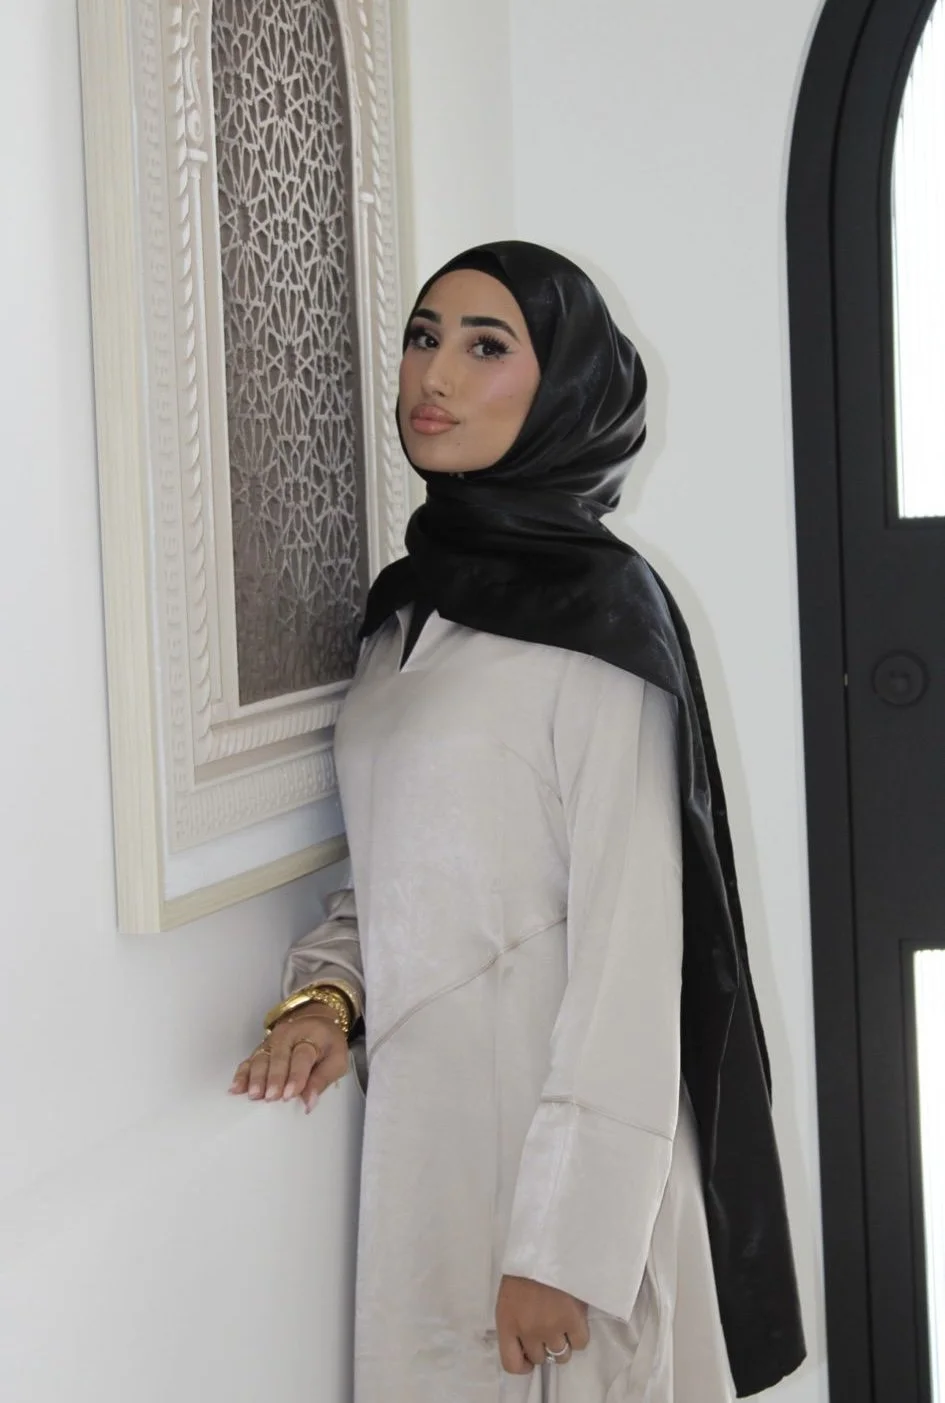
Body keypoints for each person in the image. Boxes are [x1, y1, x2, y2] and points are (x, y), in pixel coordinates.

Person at [229, 241, 806, 1402]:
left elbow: (635, 951)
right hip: (426, 1156)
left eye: (488, 345)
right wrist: (326, 991)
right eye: (423, 334)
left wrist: (563, 1246)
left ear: (564, 391)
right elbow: (403, 865)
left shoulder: (601, 619)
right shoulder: (404, 619)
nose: (435, 372)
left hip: (565, 1178)